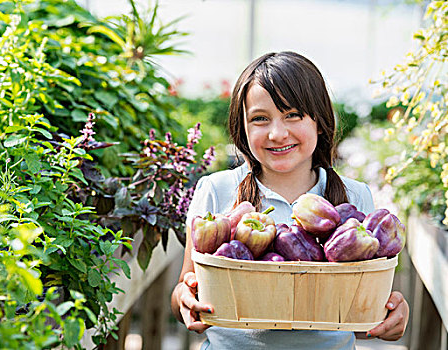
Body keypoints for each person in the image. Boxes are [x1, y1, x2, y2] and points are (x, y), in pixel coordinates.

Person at [170, 51, 409, 349]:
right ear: (243, 129)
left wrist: (393, 312)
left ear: (319, 122)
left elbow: (366, 302)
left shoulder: (355, 196)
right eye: (260, 119)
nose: (277, 133)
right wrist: (184, 298)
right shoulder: (216, 189)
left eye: (293, 115)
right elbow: (186, 286)